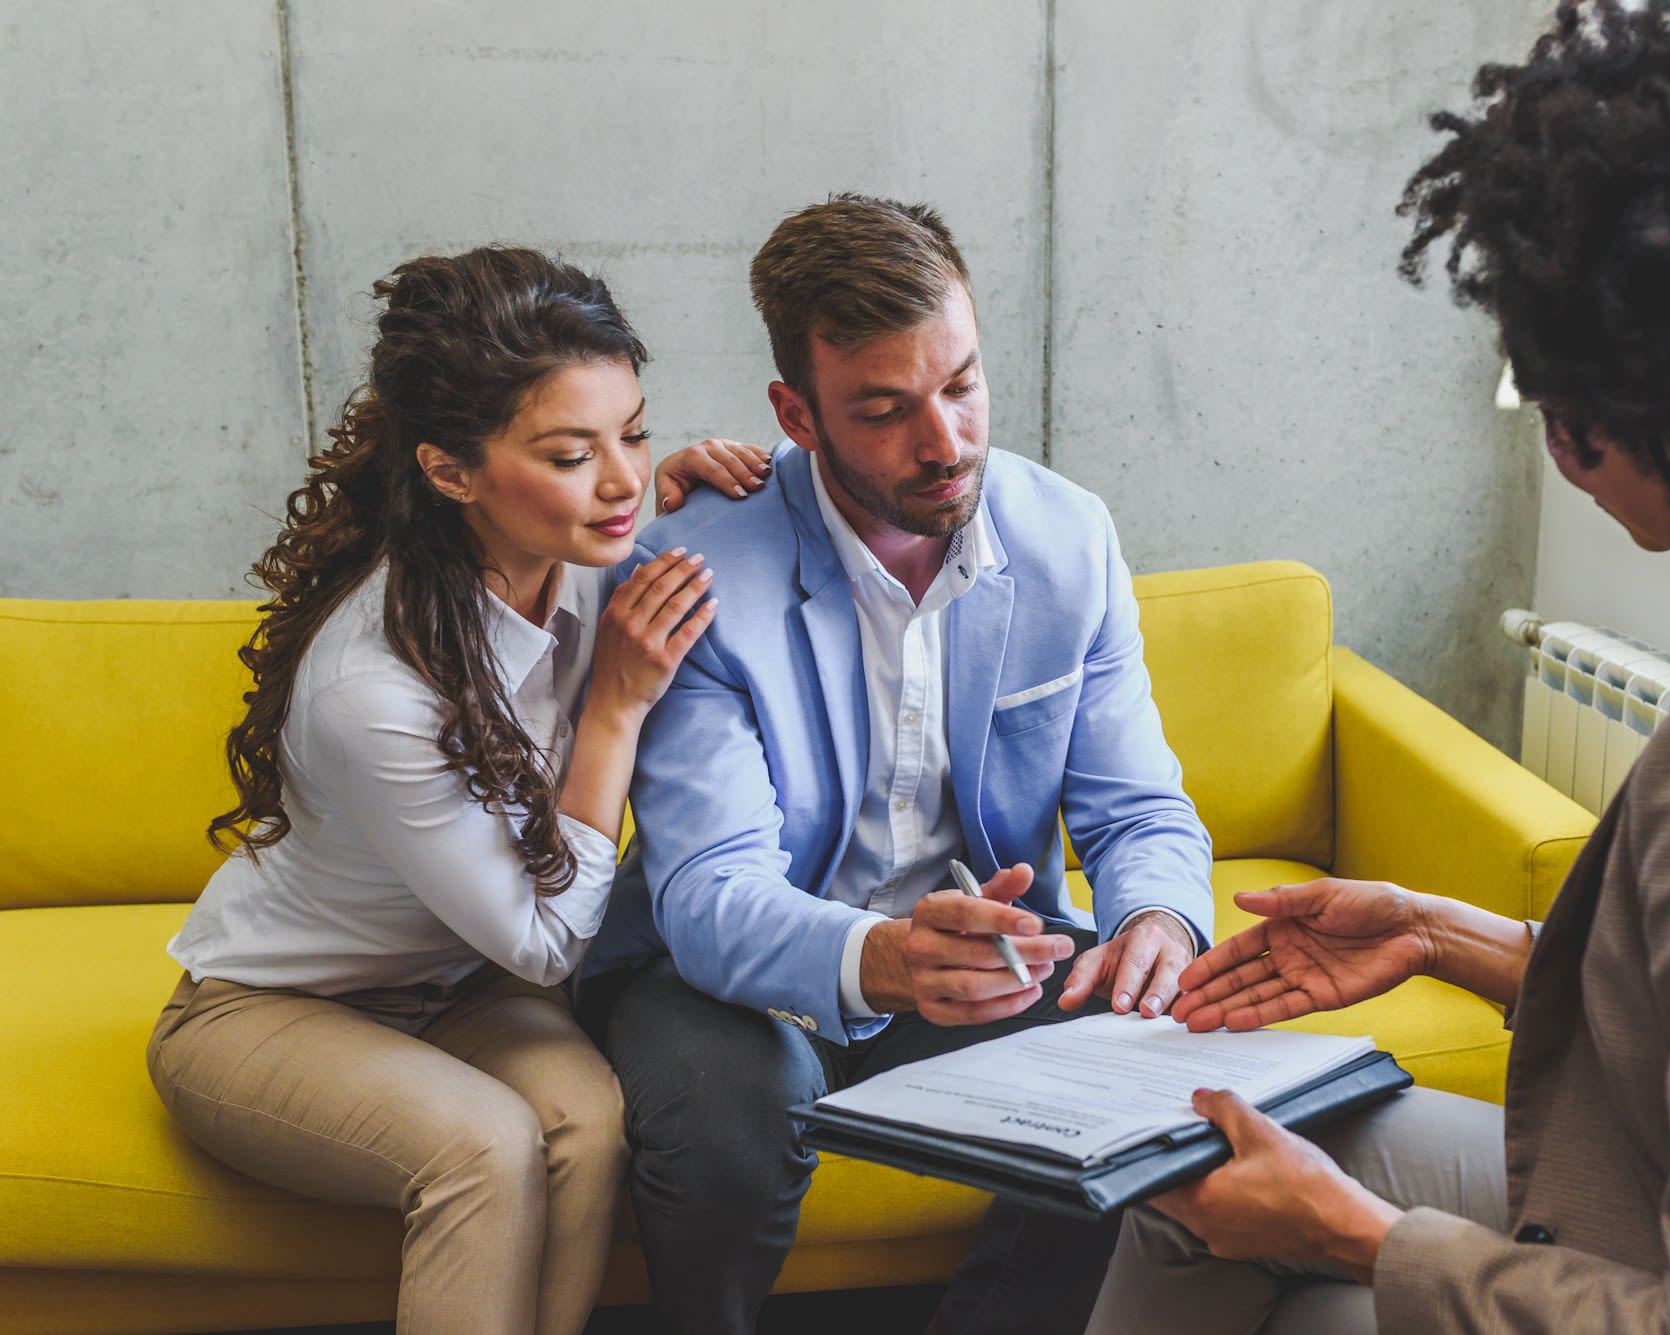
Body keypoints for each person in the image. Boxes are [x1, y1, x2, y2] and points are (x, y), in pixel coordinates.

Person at [1087, 0, 1670, 1330]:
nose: (1549, 420)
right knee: (1205, 1182)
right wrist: (1439, 931)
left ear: (1665, 403)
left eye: (1552, 371)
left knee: (1299, 1276)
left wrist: (1361, 1238)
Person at [578, 194, 1217, 1335]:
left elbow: (1138, 814)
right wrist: (883, 956)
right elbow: (709, 897)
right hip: (721, 977)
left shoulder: (1068, 540)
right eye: (884, 410)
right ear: (798, 413)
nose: (947, 442)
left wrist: (1155, 927)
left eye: (962, 384)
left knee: (1163, 1070)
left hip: (979, 956)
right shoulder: (696, 568)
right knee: (734, 1119)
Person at [146, 246, 765, 1335]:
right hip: (272, 1014)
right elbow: (545, 946)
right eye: (573, 453)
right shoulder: (370, 687)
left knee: (586, 1123)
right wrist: (612, 710)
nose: (621, 479)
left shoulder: (586, 552)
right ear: (449, 471)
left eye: (632, 431)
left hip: (457, 991)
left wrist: (696, 502)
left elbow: (695, 542)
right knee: (484, 1147)